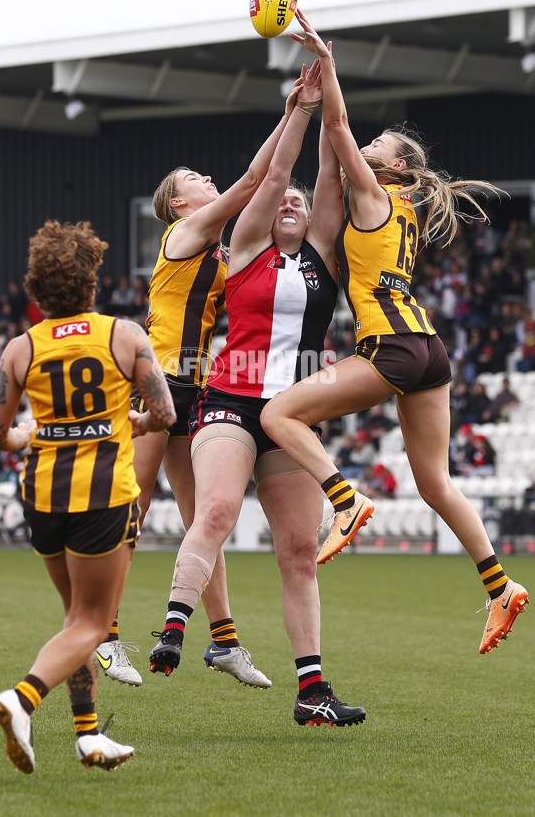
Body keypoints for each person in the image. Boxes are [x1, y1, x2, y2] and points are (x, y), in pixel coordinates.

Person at [261, 11, 529, 656]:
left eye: (382, 145)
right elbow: (336, 143)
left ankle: (345, 498)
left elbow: (337, 129)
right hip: (428, 349)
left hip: (394, 346)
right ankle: (500, 585)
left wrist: (326, 63)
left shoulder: (377, 195)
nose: (371, 147)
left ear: (398, 165)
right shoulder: (393, 205)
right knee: (435, 482)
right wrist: (322, 86)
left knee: (278, 415)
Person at [148, 57, 369, 729]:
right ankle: (176, 628)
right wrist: (297, 108)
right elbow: (270, 175)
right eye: (285, 201)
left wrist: (328, 85)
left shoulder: (324, 254)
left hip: (293, 414)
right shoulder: (243, 246)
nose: (294, 200)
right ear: (269, 216)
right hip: (232, 401)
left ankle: (312, 692)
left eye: (302, 200)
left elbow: (329, 173)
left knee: (300, 551)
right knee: (214, 511)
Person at [101, 77, 316, 690]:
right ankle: (105, 634)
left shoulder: (219, 252)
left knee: (205, 518)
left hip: (197, 384)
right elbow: (255, 182)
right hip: (157, 378)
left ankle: (224, 643)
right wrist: (292, 113)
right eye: (193, 175)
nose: (205, 177)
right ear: (176, 204)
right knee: (134, 511)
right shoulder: (184, 235)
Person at [0, 220, 176, 774]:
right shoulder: (125, 336)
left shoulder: (22, 348)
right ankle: (22, 700)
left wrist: (31, 434)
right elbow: (163, 415)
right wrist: (129, 424)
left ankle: (89, 737)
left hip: (41, 493)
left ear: (36, 287)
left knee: (75, 618)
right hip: (102, 497)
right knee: (92, 624)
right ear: (91, 281)